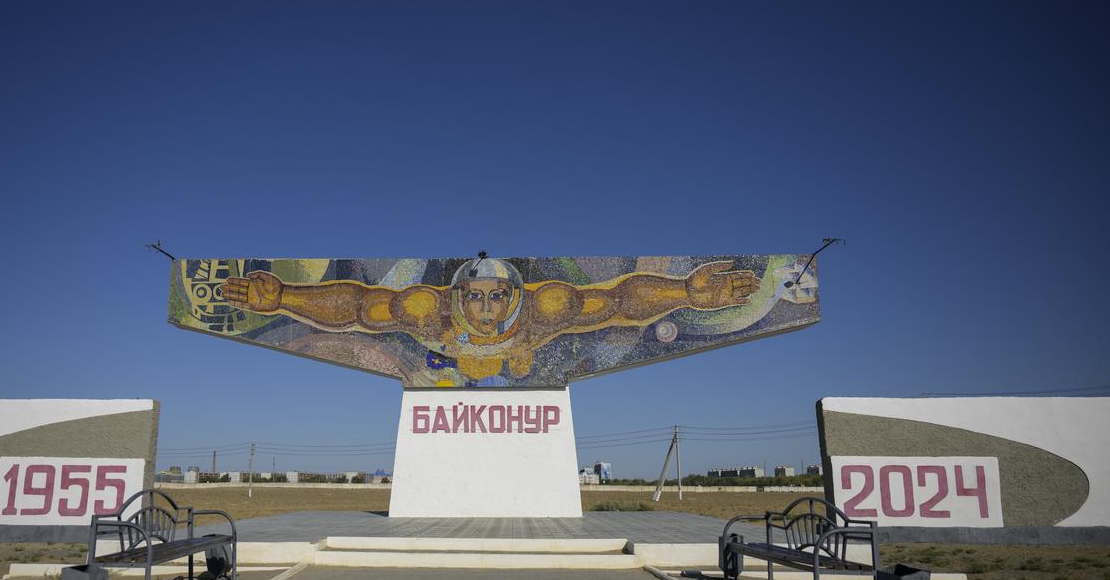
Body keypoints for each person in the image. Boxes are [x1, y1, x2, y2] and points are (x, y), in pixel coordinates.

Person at [221, 256, 758, 382]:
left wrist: (689, 291)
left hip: (524, 360)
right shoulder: (425, 310)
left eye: (495, 298)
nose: (483, 309)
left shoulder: (548, 309)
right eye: (474, 297)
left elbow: (619, 301)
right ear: (458, 296)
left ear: (514, 298)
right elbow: (360, 307)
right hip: (446, 358)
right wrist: (285, 297)